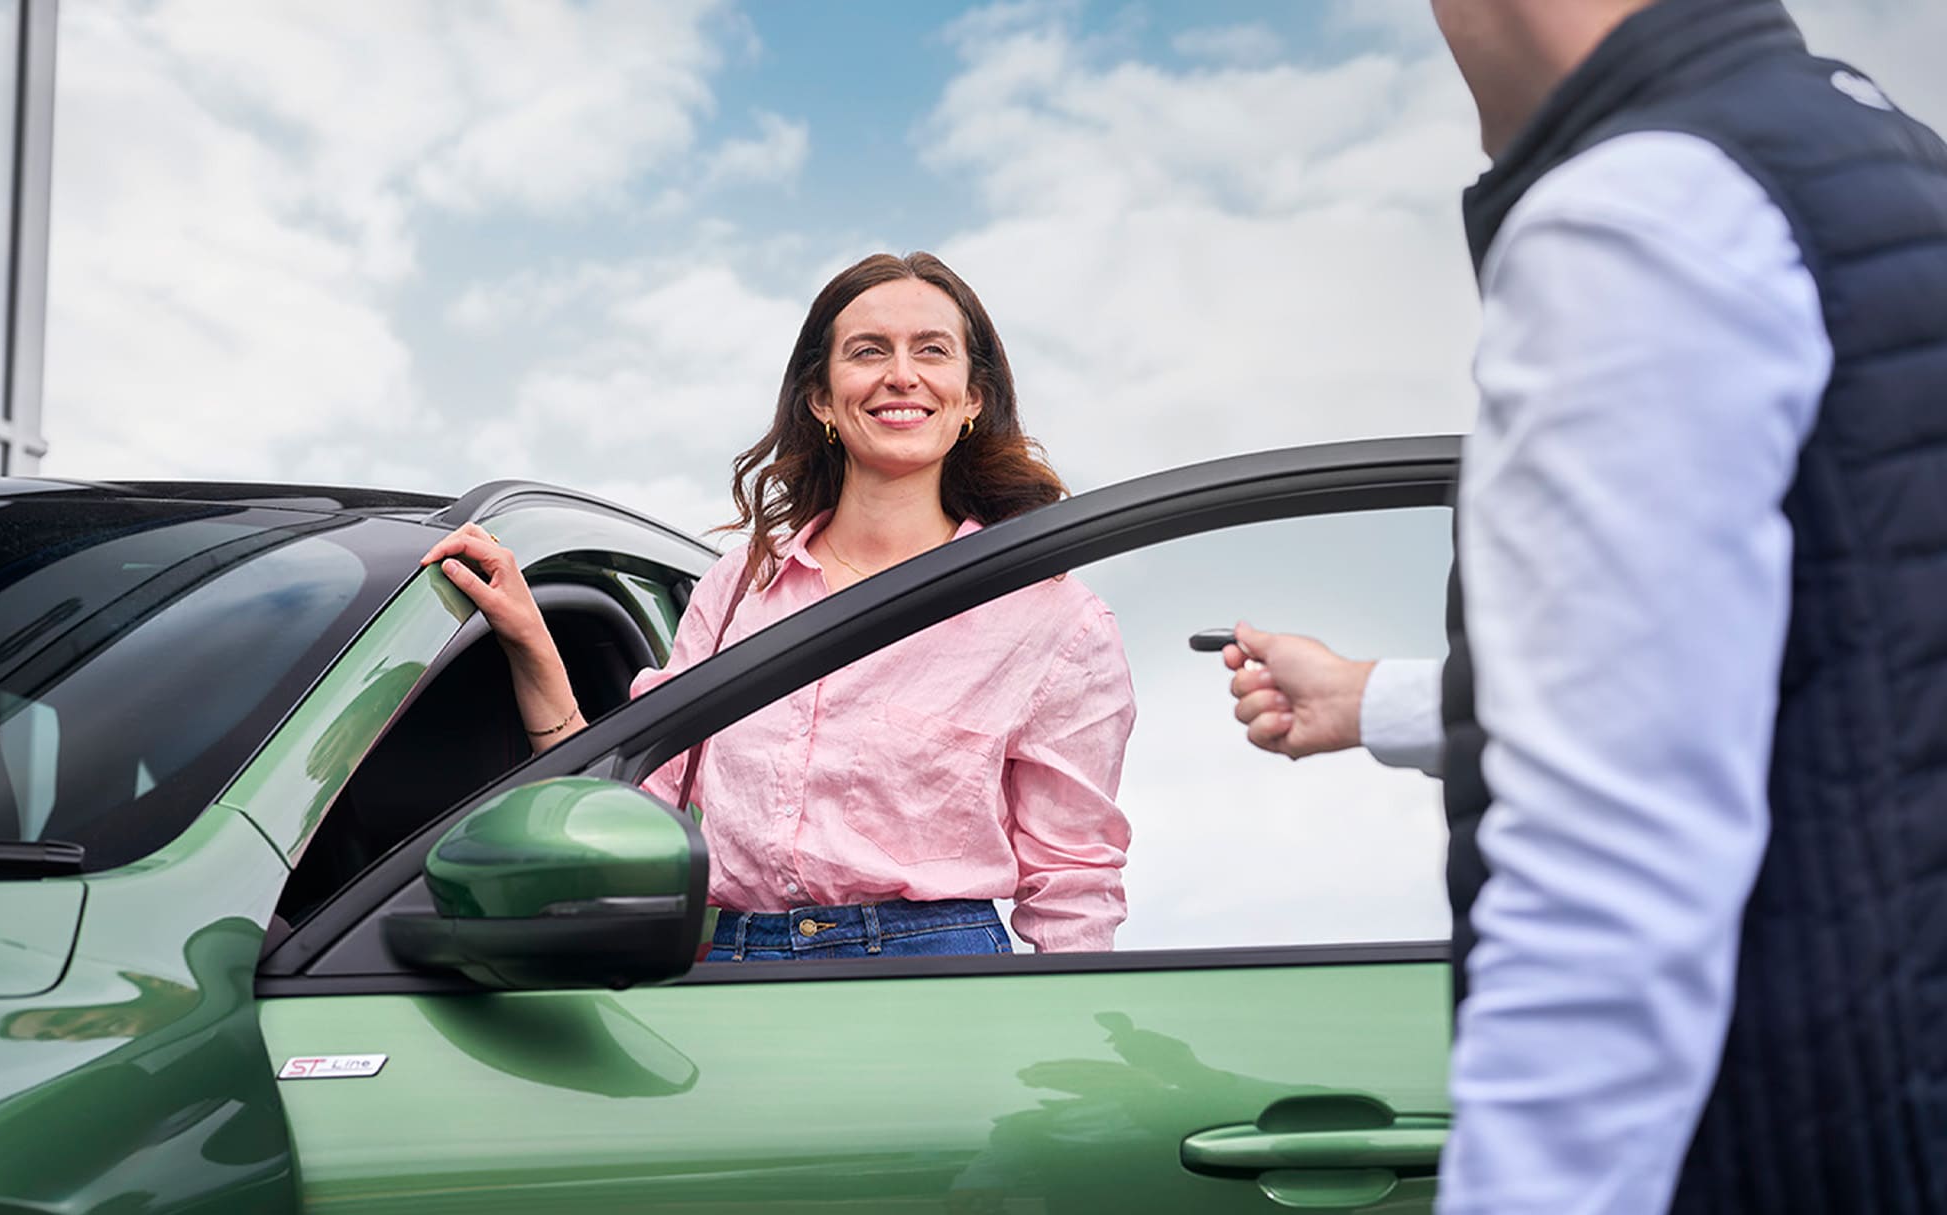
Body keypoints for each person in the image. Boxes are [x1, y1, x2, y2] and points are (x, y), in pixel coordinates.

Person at [1223, 1, 1947, 1211]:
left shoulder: (1633, 216)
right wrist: (1372, 699)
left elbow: (1606, 895)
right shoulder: (1883, 156)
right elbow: (1828, 655)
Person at [423, 252, 1135, 959]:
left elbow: (1073, 882)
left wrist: (1075, 1053)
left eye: (931, 350)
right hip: (737, 970)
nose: (901, 374)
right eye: (867, 351)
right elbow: (633, 802)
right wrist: (527, 638)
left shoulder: (1051, 617)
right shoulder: (741, 588)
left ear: (971, 397)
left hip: (936, 981)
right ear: (821, 399)